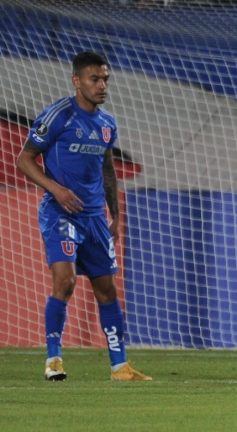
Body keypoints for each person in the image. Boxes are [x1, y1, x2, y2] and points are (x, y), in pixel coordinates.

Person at [16, 51, 151, 381]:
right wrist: (57, 190)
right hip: (60, 212)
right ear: (77, 81)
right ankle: (53, 360)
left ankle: (120, 366)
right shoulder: (59, 116)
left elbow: (107, 169)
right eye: (95, 79)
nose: (102, 85)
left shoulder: (107, 124)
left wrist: (115, 214)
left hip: (94, 218)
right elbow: (24, 159)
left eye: (105, 79)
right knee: (65, 281)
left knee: (107, 290)